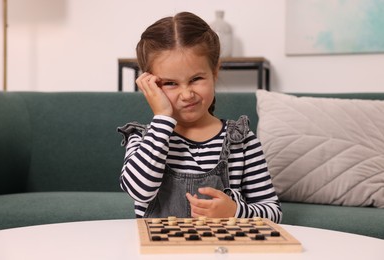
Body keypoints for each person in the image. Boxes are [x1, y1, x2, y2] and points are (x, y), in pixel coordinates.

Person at [118, 11, 282, 223]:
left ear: (215, 72)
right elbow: (139, 192)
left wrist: (234, 211)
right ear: (149, 85)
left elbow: (274, 213)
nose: (187, 94)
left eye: (196, 79)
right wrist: (162, 118)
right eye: (170, 83)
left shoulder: (242, 142)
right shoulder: (143, 139)